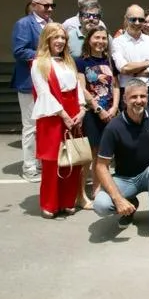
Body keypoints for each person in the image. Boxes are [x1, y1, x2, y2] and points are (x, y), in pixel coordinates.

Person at [93, 80, 149, 240]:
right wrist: (118, 199)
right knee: (101, 205)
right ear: (125, 99)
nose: (139, 100)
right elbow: (101, 166)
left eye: (143, 96)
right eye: (133, 97)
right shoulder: (114, 127)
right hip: (125, 179)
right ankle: (129, 205)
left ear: (148, 97)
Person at [30, 23, 86, 218]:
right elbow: (43, 93)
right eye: (56, 37)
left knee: (72, 159)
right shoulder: (38, 63)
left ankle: (67, 200)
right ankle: (50, 203)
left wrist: (82, 109)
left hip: (73, 112)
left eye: (63, 38)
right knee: (52, 161)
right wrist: (64, 115)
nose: (60, 41)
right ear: (47, 39)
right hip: (52, 114)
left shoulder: (69, 62)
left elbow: (77, 88)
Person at [11, 0, 54, 182]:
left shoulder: (51, 23)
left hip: (47, 82)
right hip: (28, 83)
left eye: (52, 5)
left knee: (44, 125)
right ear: (34, 5)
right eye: (46, 5)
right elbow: (19, 51)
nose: (50, 9)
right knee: (30, 126)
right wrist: (44, 56)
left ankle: (40, 161)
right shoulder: (23, 24)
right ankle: (28, 167)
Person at [75, 26, 120, 207]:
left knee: (104, 153)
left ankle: (98, 188)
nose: (100, 41)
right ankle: (80, 194)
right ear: (89, 40)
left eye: (103, 38)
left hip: (110, 112)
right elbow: (82, 88)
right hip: (91, 113)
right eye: (97, 37)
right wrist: (98, 109)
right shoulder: (81, 62)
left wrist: (114, 107)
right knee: (89, 155)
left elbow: (115, 86)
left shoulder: (110, 61)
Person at [111, 4, 149, 105]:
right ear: (126, 19)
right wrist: (148, 63)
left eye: (141, 20)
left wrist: (134, 72)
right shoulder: (117, 42)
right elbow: (124, 68)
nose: (137, 23)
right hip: (127, 91)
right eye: (133, 19)